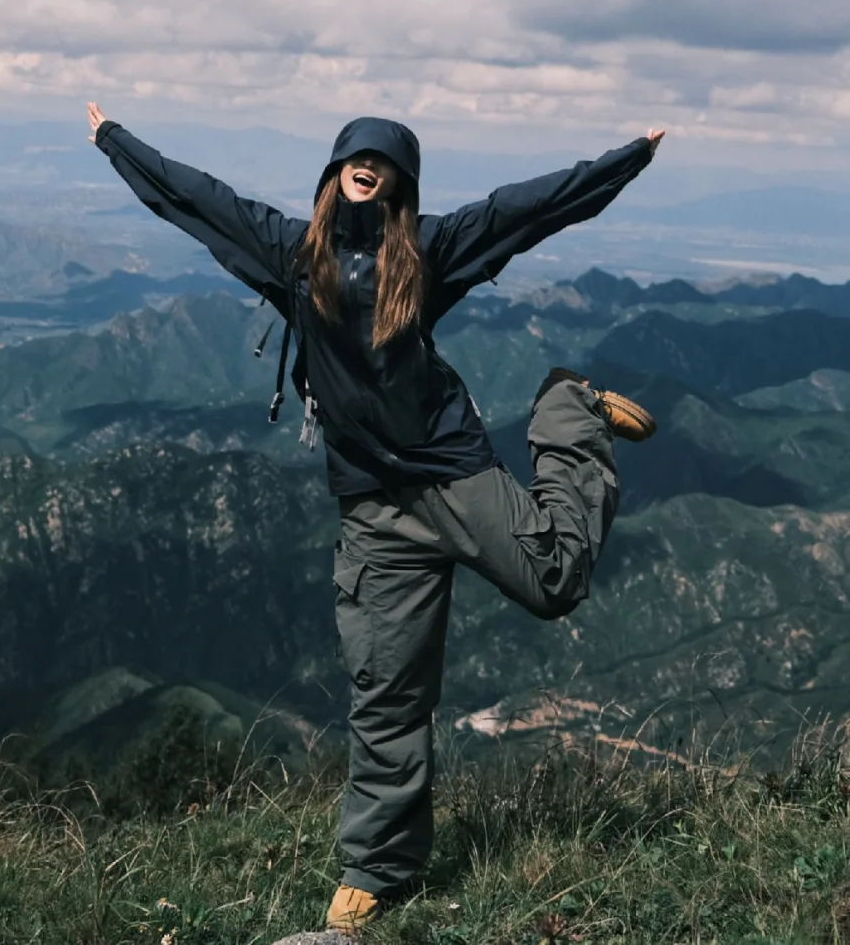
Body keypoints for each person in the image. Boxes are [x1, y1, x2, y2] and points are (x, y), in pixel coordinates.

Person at [86, 103, 664, 934]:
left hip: (453, 473)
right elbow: (196, 200)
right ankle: (379, 867)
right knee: (385, 692)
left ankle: (568, 410)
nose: (370, 167)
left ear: (401, 182)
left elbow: (526, 211)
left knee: (555, 580)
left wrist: (626, 160)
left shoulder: (427, 254)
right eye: (358, 156)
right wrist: (115, 141)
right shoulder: (291, 255)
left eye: (386, 160)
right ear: (334, 170)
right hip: (373, 507)